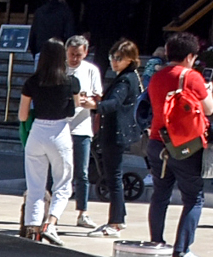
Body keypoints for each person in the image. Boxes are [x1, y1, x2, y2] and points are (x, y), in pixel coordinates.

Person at [143, 31, 213, 257]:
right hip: (185, 145)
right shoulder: (191, 77)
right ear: (191, 56)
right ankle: (181, 250)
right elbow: (208, 108)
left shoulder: (156, 77)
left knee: (160, 194)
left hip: (156, 141)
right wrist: (209, 90)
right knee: (193, 197)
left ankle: (157, 242)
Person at [17, 47, 82, 243]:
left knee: (35, 186)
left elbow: (22, 115)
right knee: (62, 184)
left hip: (37, 132)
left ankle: (32, 229)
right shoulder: (71, 82)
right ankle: (51, 224)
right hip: (59, 131)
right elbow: (74, 109)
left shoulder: (32, 82)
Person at [92, 39, 144, 236]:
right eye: (112, 57)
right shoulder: (129, 77)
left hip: (115, 132)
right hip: (118, 132)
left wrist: (94, 105)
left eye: (118, 58)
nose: (114, 62)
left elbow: (115, 102)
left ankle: (115, 222)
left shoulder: (125, 79)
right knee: (113, 175)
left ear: (130, 59)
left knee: (113, 177)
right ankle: (118, 217)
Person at [62, 35, 103, 232]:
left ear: (85, 53)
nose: (75, 59)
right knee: (58, 170)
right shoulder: (60, 68)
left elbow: (98, 99)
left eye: (78, 55)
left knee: (82, 172)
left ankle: (83, 211)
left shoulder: (91, 70)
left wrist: (90, 104)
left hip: (82, 126)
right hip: (60, 125)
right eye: (71, 54)